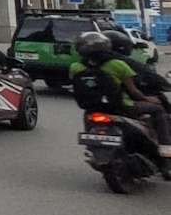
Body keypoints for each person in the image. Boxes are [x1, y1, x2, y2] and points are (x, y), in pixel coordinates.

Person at [70, 32, 171, 173]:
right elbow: (134, 91)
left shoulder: (75, 67)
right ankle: (166, 153)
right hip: (122, 107)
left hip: (93, 109)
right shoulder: (117, 64)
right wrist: (150, 99)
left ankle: (92, 148)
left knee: (88, 116)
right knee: (158, 110)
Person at [101, 30, 171, 112]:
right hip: (122, 103)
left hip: (98, 106)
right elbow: (134, 89)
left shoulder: (88, 63)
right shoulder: (119, 63)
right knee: (158, 109)